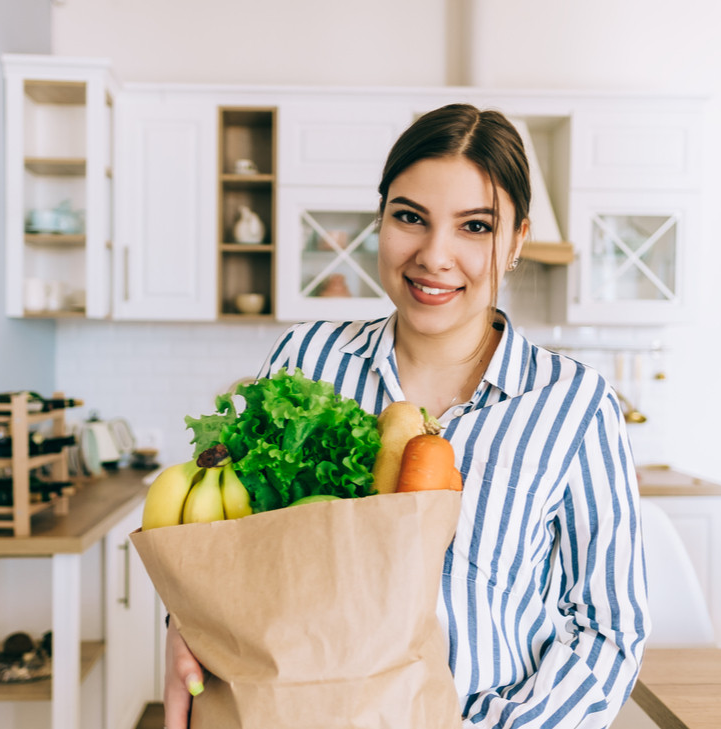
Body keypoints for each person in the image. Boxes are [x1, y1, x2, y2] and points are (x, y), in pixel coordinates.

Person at [164, 103, 650, 728]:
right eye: (409, 217)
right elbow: (226, 545)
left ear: (517, 242)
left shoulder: (574, 404)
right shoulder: (306, 359)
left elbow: (610, 630)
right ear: (380, 220)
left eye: (475, 227)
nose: (434, 255)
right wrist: (185, 623)